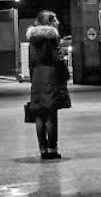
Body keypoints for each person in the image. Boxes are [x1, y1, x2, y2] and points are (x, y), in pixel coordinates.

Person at [27, 10, 70, 160]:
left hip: (37, 77)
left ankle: (43, 149)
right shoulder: (52, 37)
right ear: (49, 22)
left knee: (39, 114)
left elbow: (31, 62)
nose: (58, 22)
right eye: (55, 20)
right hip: (51, 75)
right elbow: (58, 59)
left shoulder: (32, 39)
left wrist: (33, 78)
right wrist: (65, 74)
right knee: (51, 113)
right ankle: (52, 149)